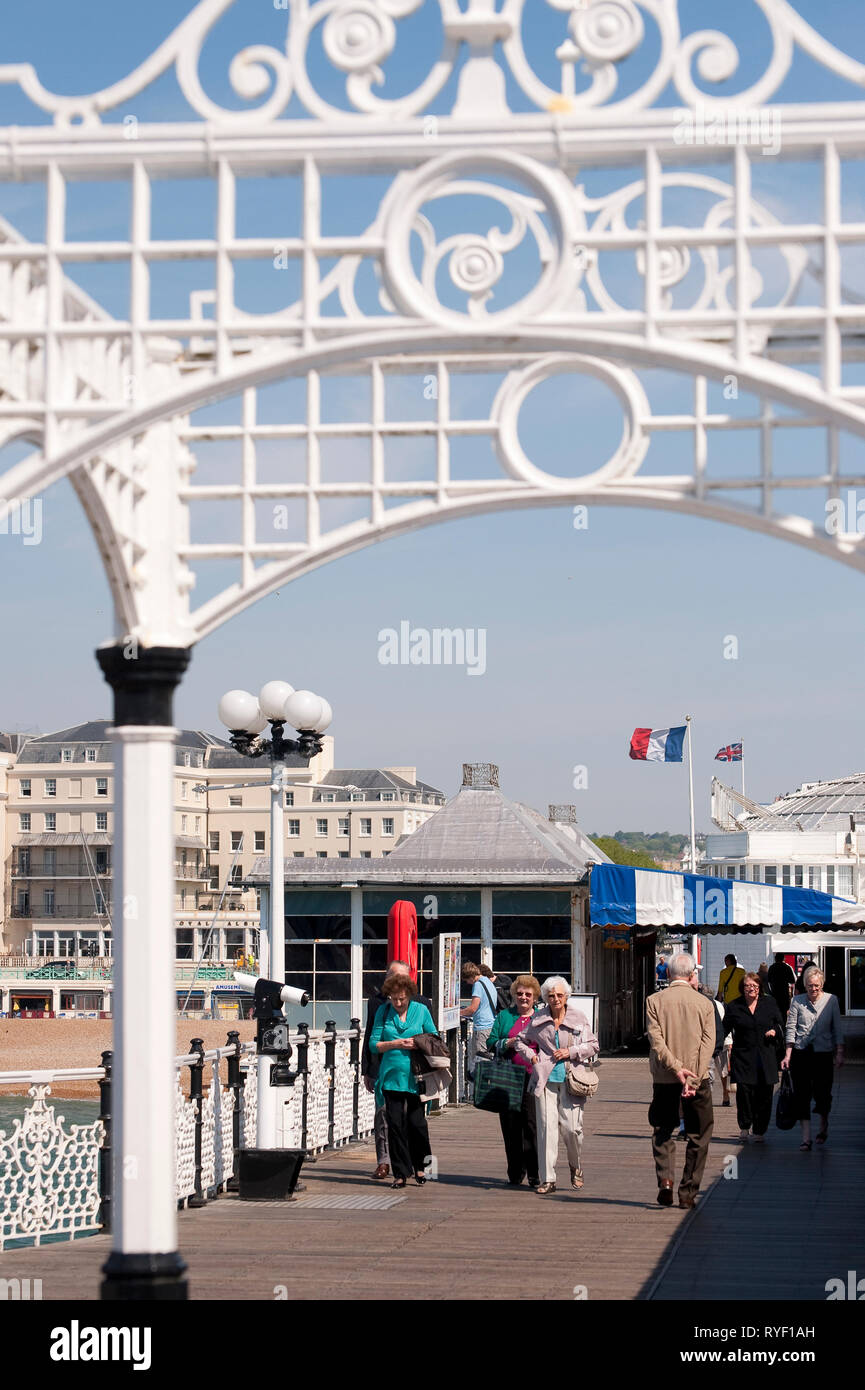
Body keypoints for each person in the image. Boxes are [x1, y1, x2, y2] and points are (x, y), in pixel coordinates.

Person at [515, 976, 598, 1194]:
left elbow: (593, 1045)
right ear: (545, 998)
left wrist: (571, 1052)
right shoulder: (539, 1018)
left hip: (572, 1080)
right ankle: (548, 1179)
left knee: (572, 1129)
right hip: (545, 1079)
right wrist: (532, 1056)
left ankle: (575, 1166)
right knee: (546, 1129)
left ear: (566, 996)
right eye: (551, 996)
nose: (555, 999)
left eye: (559, 995)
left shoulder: (578, 1017)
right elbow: (520, 1040)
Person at [646, 952, 716, 1210]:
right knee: (699, 1133)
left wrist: (676, 1070)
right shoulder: (705, 1004)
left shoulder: (654, 1001)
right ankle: (688, 1192)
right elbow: (708, 1045)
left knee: (662, 1128)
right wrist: (693, 1077)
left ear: (667, 973)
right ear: (691, 976)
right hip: (698, 1078)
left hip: (665, 1077)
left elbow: (656, 1041)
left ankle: (666, 1179)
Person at [368, 973, 437, 1189]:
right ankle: (400, 1173)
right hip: (391, 1077)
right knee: (395, 1125)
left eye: (402, 999)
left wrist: (416, 1043)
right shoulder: (383, 1011)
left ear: (410, 996)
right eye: (394, 998)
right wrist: (396, 1043)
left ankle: (425, 1168)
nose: (398, 1003)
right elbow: (373, 1044)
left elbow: (434, 1036)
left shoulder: (422, 1010)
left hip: (417, 1077)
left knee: (418, 1124)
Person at [485, 974, 541, 1187]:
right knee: (510, 1126)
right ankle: (515, 1171)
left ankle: (535, 1173)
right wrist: (505, 1043)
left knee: (531, 1125)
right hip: (507, 1077)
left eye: (528, 994)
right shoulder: (504, 1017)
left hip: (533, 1078)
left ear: (535, 996)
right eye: (519, 994)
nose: (523, 997)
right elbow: (490, 1042)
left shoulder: (541, 1017)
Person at [782, 966, 844, 1150]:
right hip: (801, 1053)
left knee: (823, 1094)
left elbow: (837, 1028)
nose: (813, 989)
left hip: (823, 1054)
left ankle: (823, 1124)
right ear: (805, 985)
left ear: (822, 984)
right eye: (810, 985)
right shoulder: (797, 1001)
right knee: (802, 1095)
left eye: (816, 985)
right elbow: (791, 1028)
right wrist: (787, 1054)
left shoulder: (831, 1001)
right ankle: (806, 1138)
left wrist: (839, 1051)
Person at [722, 972, 785, 1142]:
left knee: (764, 1096)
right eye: (747, 986)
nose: (751, 989)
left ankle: (759, 1130)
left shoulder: (769, 1003)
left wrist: (775, 1031)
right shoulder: (734, 1006)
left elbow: (781, 1024)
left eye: (754, 986)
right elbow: (723, 1029)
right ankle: (744, 1127)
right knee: (744, 1094)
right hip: (743, 1057)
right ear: (742, 988)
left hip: (766, 1057)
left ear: (760, 987)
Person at [361, 957, 408, 1181]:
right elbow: (369, 1035)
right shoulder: (376, 1003)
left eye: (401, 976)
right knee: (382, 1116)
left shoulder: (419, 1003)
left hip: (408, 1070)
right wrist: (367, 1070)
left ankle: (405, 1160)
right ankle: (383, 1161)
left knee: (408, 1117)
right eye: (392, 976)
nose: (396, 980)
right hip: (382, 1068)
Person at [460, 960, 498, 1083]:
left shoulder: (477, 984)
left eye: (466, 980)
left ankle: (481, 1092)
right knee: (486, 1060)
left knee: (481, 1062)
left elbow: (472, 1008)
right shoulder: (488, 981)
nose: (467, 983)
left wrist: (457, 1013)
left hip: (482, 1027)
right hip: (491, 1025)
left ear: (469, 976)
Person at [767, 952, 796, 1020]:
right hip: (784, 994)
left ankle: (777, 1027)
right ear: (783, 958)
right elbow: (792, 980)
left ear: (775, 959)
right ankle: (783, 1027)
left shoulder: (772, 967)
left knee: (775, 1012)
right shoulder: (787, 967)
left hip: (775, 993)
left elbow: (768, 980)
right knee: (784, 1013)